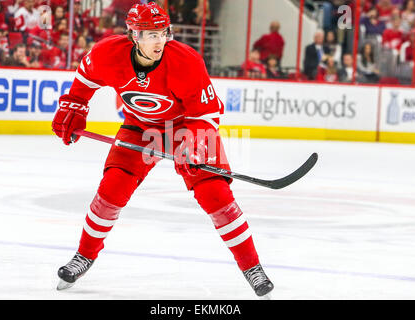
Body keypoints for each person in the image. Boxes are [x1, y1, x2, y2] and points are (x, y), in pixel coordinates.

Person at [52, 2, 274, 299]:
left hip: (188, 125)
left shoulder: (186, 61)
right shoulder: (108, 53)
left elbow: (206, 116)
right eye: (151, 34)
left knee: (215, 194)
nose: (160, 40)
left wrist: (194, 146)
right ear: (133, 35)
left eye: (163, 32)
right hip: (140, 128)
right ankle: (84, 256)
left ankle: (252, 267)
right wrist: (75, 105)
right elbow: (85, 77)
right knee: (111, 189)